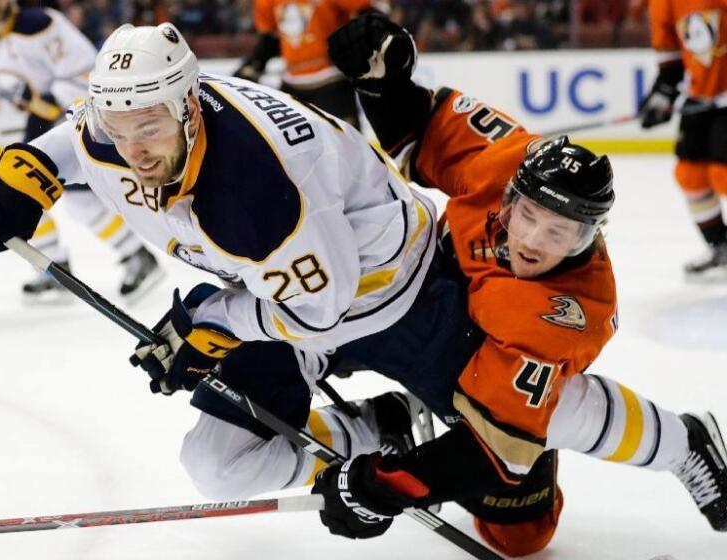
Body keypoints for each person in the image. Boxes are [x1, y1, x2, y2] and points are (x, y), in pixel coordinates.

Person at [0, 21, 477, 505]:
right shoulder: (129, 125)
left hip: (400, 298)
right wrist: (26, 171)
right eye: (118, 130)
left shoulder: (255, 191)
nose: (133, 152)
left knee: (514, 511)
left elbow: (319, 313)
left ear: (190, 110)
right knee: (219, 468)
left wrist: (213, 324)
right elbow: (82, 136)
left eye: (148, 128)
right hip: (286, 291)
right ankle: (380, 426)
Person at [306, 14, 727, 556]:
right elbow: (419, 130)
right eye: (527, 215)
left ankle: (683, 441)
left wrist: (391, 483)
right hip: (419, 288)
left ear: (589, 238)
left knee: (520, 534)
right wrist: (383, 84)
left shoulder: (568, 311)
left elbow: (496, 452)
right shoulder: (502, 158)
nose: (533, 241)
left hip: (484, 354)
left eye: (562, 232)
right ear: (510, 194)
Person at [0, 0, 163, 302]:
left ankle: (138, 257)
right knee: (17, 193)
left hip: (74, 124)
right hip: (37, 131)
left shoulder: (42, 24)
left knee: (79, 203)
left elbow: (87, 72)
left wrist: (49, 102)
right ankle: (58, 267)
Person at [639, 0, 727, 279]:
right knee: (690, 176)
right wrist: (663, 93)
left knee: (723, 175)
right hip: (700, 98)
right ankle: (720, 246)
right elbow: (671, 58)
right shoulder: (663, 3)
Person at [233, 0, 390, 128]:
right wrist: (256, 63)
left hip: (332, 81)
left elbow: (368, 12)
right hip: (292, 87)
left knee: (346, 152)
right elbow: (272, 36)